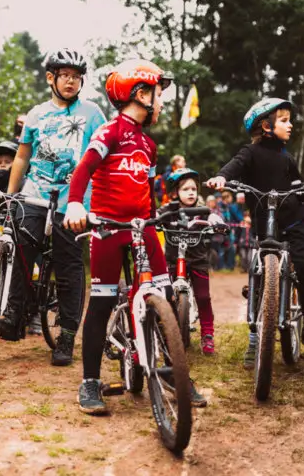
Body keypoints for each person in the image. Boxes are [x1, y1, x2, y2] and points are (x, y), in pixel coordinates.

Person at [64, 59, 207, 414]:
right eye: (158, 95)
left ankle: (173, 370)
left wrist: (158, 217)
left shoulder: (150, 145)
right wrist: (73, 207)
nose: (160, 103)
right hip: (108, 228)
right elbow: (83, 171)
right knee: (100, 302)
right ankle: (90, 382)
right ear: (140, 94)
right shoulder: (109, 132)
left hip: (144, 228)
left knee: (167, 295)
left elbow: (147, 188)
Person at [206, 97, 304, 366]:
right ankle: (255, 340)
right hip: (265, 225)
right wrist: (221, 176)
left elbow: (298, 190)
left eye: (290, 120)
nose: (291, 125)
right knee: (260, 277)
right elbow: (234, 167)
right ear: (266, 126)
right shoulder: (250, 153)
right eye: (284, 120)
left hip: (294, 222)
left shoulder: (287, 158)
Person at [5, 48, 107, 366]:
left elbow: (104, 154)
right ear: (51, 78)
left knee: (68, 264)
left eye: (76, 77)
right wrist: (11, 196)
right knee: (22, 246)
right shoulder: (36, 114)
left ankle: (66, 335)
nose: (71, 82)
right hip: (35, 193)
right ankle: (15, 312)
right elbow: (22, 156)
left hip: (73, 202)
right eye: (65, 76)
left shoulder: (93, 114)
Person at [161, 168, 224, 355]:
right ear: (174, 193)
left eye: (194, 190)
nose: (191, 193)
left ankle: (207, 335)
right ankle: (166, 330)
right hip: (173, 260)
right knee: (166, 296)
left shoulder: (203, 212)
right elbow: (154, 216)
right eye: (185, 189)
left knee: (203, 297)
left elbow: (213, 217)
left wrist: (218, 223)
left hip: (197, 260)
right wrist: (151, 220)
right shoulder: (168, 211)